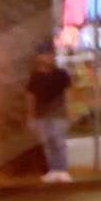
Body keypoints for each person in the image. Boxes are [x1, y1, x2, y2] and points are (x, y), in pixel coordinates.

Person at [26, 47, 74, 182]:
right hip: (41, 115)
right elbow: (30, 96)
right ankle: (53, 170)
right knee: (48, 144)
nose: (48, 58)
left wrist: (70, 111)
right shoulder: (35, 76)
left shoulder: (61, 74)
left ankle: (62, 169)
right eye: (44, 55)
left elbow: (68, 93)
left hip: (58, 114)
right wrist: (30, 115)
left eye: (50, 55)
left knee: (59, 142)